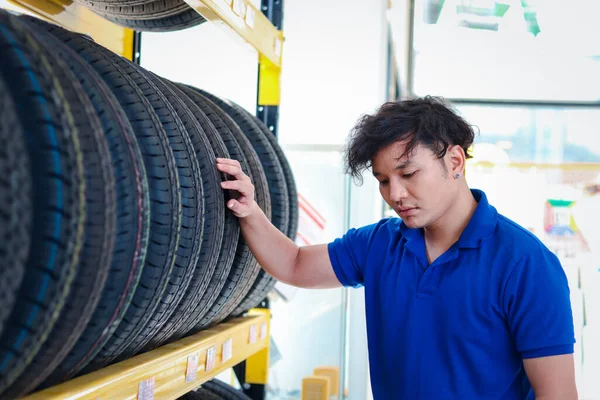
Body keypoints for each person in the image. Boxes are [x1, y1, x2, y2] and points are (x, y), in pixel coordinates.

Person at [216, 96, 578, 399]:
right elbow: (294, 264)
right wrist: (249, 211)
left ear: (454, 161)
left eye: (408, 174)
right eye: (383, 181)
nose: (396, 195)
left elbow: (557, 395)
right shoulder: (379, 244)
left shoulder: (526, 264)